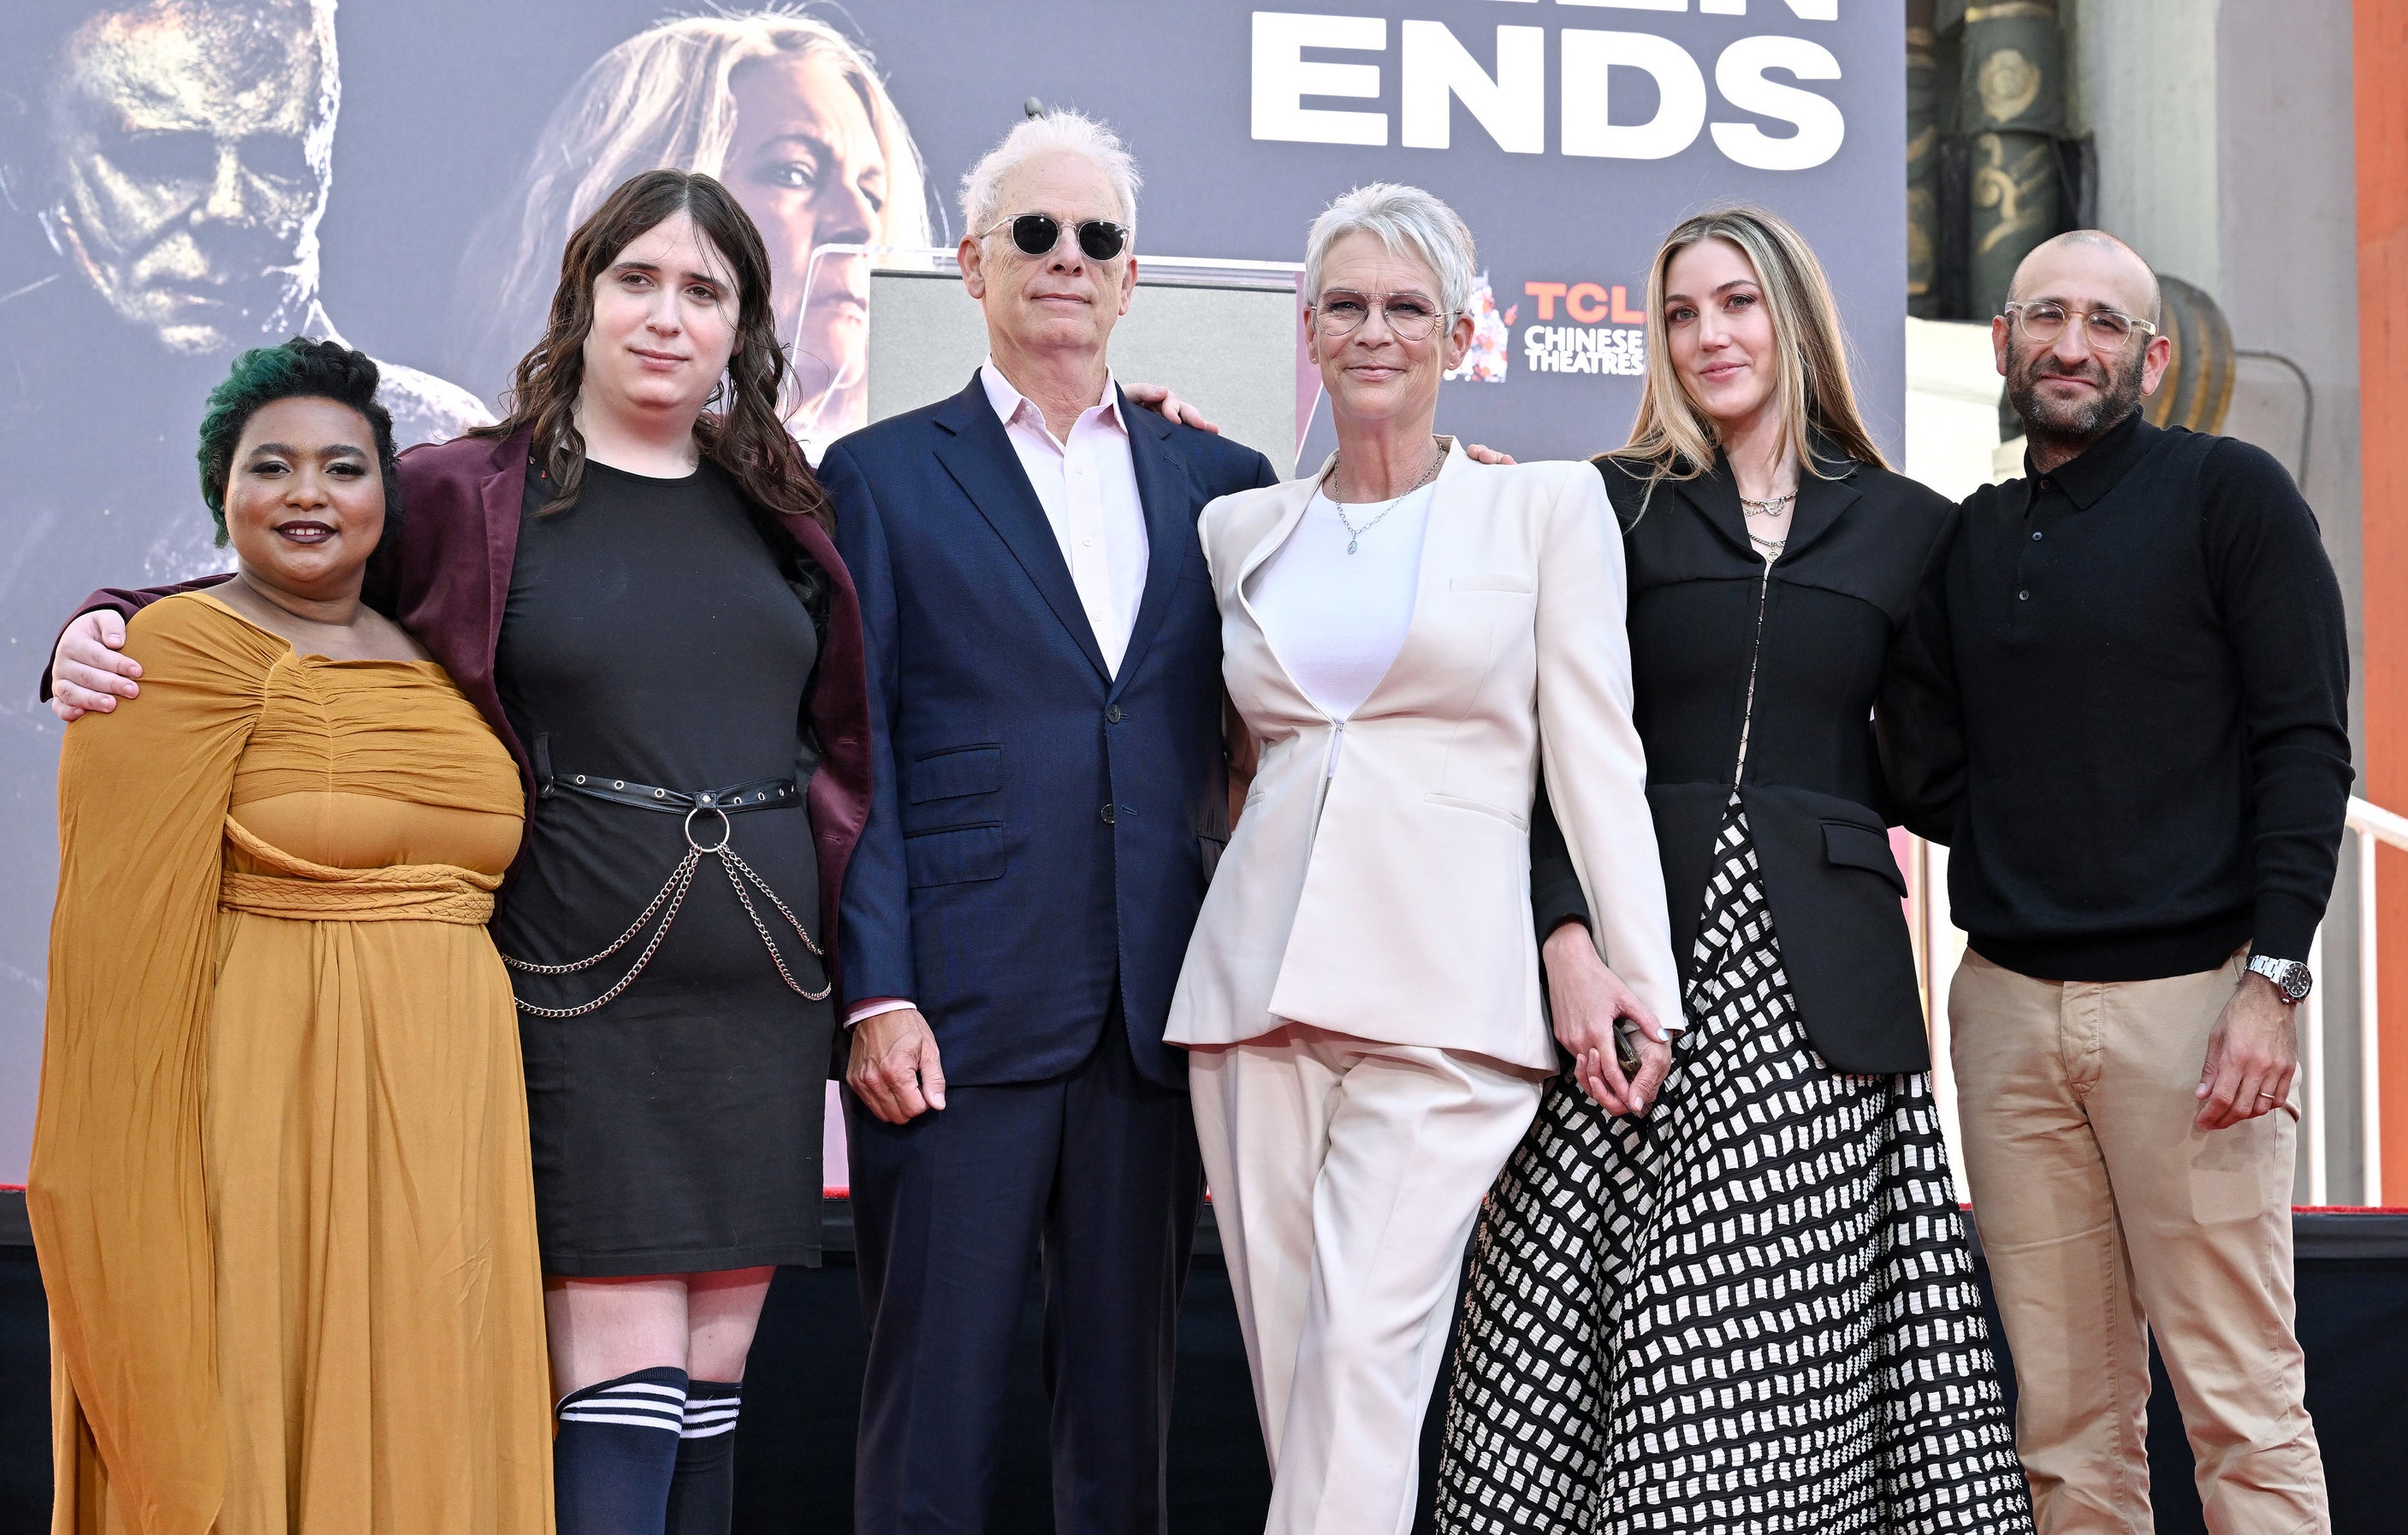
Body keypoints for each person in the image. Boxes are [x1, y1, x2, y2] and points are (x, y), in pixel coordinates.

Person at [47, 169, 872, 1535]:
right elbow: (290, 560)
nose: (667, 317)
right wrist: (108, 613)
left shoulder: (783, 503)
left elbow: (841, 741)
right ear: (582, 298)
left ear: (743, 326)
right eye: (637, 281)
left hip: (759, 1008)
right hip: (573, 998)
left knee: (713, 1391)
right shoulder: (463, 489)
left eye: (704, 291)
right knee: (617, 1386)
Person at [1438, 206, 2035, 1534]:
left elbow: (1937, 770)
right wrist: (1563, 939)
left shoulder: (1909, 527)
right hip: (1625, 985)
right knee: (1550, 1347)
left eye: (1735, 303)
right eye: (1679, 312)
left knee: (1756, 1366)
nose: (1708, 335)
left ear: (1791, 317)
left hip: (1822, 1000)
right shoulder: (1601, 503)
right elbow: (1536, 752)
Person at [1164, 181, 1681, 1535]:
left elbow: (1595, 762)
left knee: (1361, 1360)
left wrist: (1643, 980)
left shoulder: (1543, 513)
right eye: (1346, 305)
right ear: (1308, 329)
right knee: (1300, 1386)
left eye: (1407, 308)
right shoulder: (1238, 532)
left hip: (1449, 1000)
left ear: (1460, 335)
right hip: (1253, 993)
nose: (1374, 331)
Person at [816, 110, 1278, 1535]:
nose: (1064, 259)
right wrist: (874, 989)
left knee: (1123, 1429)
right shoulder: (878, 476)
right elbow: (853, 751)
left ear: (1131, 279)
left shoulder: (1221, 484)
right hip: (949, 1012)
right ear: (971, 264)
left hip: (1151, 1014)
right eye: (1033, 232)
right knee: (931, 1416)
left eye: (1095, 239)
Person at [31, 338, 549, 1532]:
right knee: (271, 1407)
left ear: (388, 494)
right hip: (265, 1122)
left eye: (343, 467)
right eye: (273, 465)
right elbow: (112, 981)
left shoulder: (444, 665)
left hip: (453, 1125)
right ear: (222, 489)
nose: (309, 492)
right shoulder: (170, 656)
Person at [1892, 229, 2350, 1533]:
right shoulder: (1969, 538)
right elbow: (1922, 760)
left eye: (2103, 323)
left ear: (2148, 356)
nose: (2071, 344)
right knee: (2062, 1425)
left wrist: (2271, 977)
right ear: (2004, 341)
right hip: (2006, 1013)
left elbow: (2304, 742)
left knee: (2242, 1404)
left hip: (2196, 1010)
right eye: (2046, 316)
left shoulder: (2228, 494)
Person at [0, 0, 492, 1093]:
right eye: (162, 155)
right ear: (37, 154)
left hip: (348, 1030)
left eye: (274, 156)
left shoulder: (436, 452)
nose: (229, 210)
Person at [451, 10, 928, 456]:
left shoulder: (852, 494)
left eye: (871, 194)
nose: (862, 225)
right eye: (794, 173)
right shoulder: (453, 473)